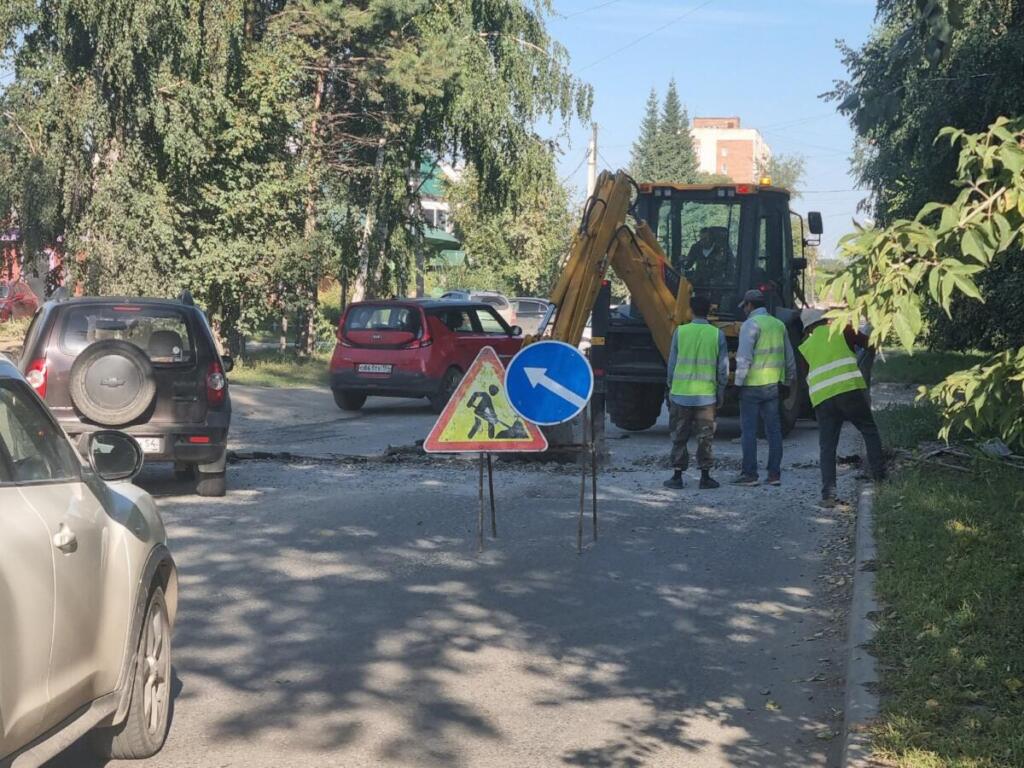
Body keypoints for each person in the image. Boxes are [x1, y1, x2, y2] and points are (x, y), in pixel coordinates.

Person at [798, 308, 886, 507]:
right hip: (848, 391)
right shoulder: (842, 330)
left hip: (822, 398)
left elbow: (806, 377)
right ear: (825, 320)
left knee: (827, 447)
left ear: (808, 327)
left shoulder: (804, 346)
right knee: (869, 430)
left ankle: (828, 495)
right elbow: (868, 344)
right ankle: (880, 478)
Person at [663, 295, 728, 490]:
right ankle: (705, 476)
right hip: (706, 396)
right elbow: (722, 368)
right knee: (705, 437)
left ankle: (677, 476)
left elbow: (672, 364)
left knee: (679, 435)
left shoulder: (680, 332)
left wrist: (670, 386)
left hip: (681, 395)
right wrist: (721, 391)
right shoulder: (717, 335)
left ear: (690, 310)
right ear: (709, 311)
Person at [732, 289, 796, 486]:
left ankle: (750, 474)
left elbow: (744, 358)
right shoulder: (779, 325)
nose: (744, 310)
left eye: (745, 306)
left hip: (751, 387)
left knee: (749, 431)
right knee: (773, 431)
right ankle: (774, 474)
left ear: (750, 305)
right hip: (772, 386)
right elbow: (789, 358)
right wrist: (789, 381)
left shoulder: (750, 325)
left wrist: (737, 383)